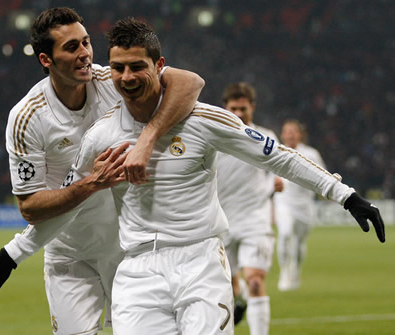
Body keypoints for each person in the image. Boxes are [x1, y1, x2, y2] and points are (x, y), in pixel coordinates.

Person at [64, 17, 384, 334]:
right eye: (118, 68)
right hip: (137, 271)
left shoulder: (203, 120)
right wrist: (19, 251)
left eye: (136, 66)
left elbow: (279, 157)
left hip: (200, 263)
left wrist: (345, 195)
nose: (126, 76)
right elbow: (72, 195)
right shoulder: (100, 136)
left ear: (160, 65)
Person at [0, 7, 205, 335]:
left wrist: (147, 138)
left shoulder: (111, 80)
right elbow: (31, 207)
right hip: (70, 254)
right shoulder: (27, 118)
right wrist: (92, 183)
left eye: (86, 43)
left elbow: (190, 83)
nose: (84, 55)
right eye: (71, 47)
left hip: (128, 248)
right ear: (45, 60)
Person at [216, 82, 283, 334]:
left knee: (255, 281)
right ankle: (239, 292)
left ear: (252, 107)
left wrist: (278, 183)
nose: (239, 114)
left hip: (255, 219)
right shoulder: (214, 137)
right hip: (221, 223)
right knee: (228, 287)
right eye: (234, 108)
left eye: (243, 108)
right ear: (225, 107)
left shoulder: (265, 139)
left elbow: (282, 167)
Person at [274, 119, 325, 291]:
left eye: (293, 131)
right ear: (282, 134)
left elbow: (322, 177)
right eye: (286, 131)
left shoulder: (311, 154)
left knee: (299, 243)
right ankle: (284, 273)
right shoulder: (275, 151)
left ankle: (295, 270)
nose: (289, 134)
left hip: (304, 205)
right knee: (285, 234)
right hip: (284, 202)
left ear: (300, 134)